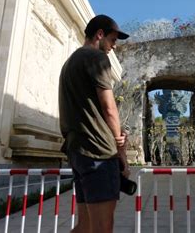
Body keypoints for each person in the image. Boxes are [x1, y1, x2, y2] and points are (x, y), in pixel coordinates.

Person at [59, 14, 130, 233]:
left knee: (85, 226)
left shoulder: (69, 63)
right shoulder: (97, 58)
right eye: (112, 40)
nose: (114, 47)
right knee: (102, 228)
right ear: (99, 34)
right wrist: (122, 154)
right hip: (99, 153)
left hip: (78, 152)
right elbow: (109, 108)